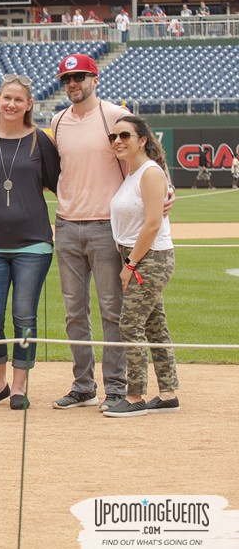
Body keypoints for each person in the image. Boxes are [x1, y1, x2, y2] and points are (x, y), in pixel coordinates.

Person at [0, 75, 60, 410]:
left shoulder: (40, 140)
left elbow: (60, 183)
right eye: (7, 98)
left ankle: (19, 386)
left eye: (19, 99)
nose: (11, 104)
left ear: (29, 104)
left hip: (33, 244)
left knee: (24, 315)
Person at [50, 53, 132, 411]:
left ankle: (116, 387)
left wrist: (166, 187)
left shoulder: (113, 115)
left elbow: (142, 155)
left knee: (112, 310)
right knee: (74, 312)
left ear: (94, 79)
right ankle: (84, 386)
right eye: (67, 79)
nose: (73, 83)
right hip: (67, 225)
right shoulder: (57, 121)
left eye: (80, 77)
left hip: (105, 226)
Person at [104, 116, 179, 417]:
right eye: (113, 137)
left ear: (142, 140)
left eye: (125, 135)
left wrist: (131, 263)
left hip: (149, 257)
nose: (117, 141)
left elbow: (152, 224)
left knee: (130, 324)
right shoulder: (133, 173)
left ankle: (134, 397)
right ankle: (168, 394)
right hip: (140, 255)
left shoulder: (149, 173)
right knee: (154, 325)